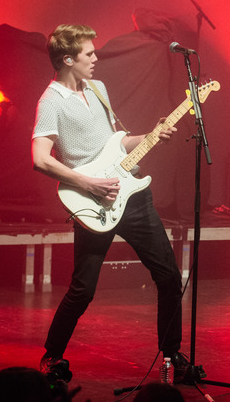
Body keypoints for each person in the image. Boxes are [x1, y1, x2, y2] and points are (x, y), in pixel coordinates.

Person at [32, 24, 188, 380]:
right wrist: (89, 183)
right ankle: (51, 357)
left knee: (167, 275)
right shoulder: (51, 101)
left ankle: (171, 356)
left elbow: (115, 144)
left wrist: (151, 136)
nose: (96, 58)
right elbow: (40, 159)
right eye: (89, 53)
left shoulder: (97, 89)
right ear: (68, 59)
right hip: (91, 202)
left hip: (132, 198)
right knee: (83, 289)